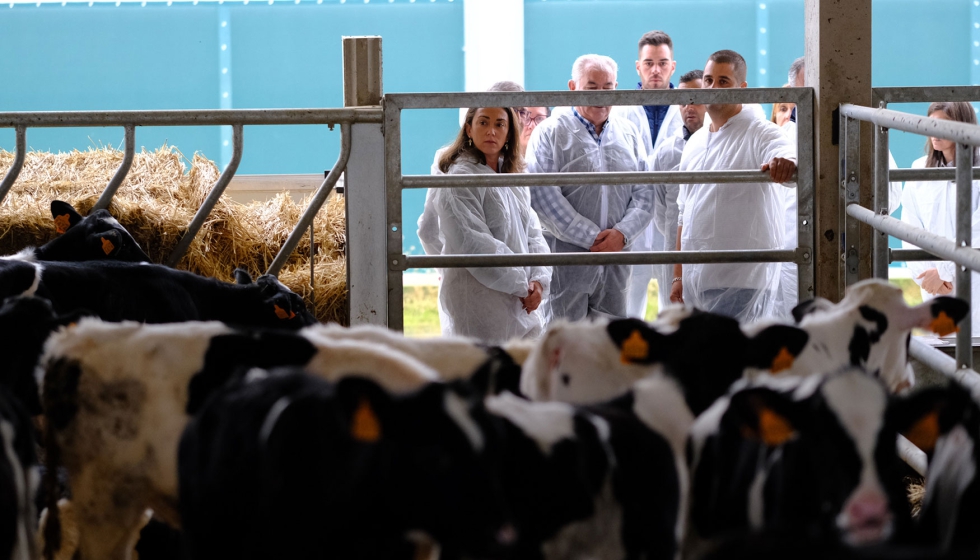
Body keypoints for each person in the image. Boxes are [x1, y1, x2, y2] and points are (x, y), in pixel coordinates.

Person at [670, 50, 797, 322]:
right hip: (697, 280)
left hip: (743, 280)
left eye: (723, 81)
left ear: (742, 88)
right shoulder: (694, 143)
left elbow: (787, 155)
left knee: (738, 360)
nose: (713, 88)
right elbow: (684, 212)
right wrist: (678, 275)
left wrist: (785, 164)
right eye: (708, 80)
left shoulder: (760, 131)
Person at [527, 54, 652, 322]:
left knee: (608, 342)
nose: (600, 96)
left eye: (608, 88)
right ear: (572, 87)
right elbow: (542, 194)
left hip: (617, 257)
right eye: (592, 87)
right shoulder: (551, 132)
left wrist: (622, 234)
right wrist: (590, 238)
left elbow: (645, 193)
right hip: (567, 257)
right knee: (564, 341)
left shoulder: (628, 132)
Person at [424, 105, 553, 344]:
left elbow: (534, 233)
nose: (491, 131)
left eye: (499, 124)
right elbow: (473, 243)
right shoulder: (460, 178)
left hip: (522, 303)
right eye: (483, 122)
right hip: (478, 303)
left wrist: (539, 280)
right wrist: (522, 285)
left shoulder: (513, 174)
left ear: (509, 133)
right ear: (469, 130)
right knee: (483, 374)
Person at [613, 31, 684, 318]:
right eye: (649, 63)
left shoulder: (688, 108)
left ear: (673, 66)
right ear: (638, 66)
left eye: (663, 63)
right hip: (632, 223)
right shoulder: (620, 112)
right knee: (627, 305)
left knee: (674, 304)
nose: (656, 70)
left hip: (673, 222)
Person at [901, 101, 980, 335]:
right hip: (935, 286)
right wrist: (925, 275)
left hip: (974, 281)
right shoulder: (918, 170)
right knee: (941, 356)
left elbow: (977, 229)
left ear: (963, 126)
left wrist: (944, 271)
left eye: (943, 125)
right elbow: (909, 227)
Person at [645, 69, 706, 314]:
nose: (688, 107)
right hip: (673, 248)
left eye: (695, 98)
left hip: (713, 250)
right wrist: (677, 235)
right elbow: (660, 206)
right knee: (674, 324)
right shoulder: (666, 152)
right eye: (682, 100)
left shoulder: (722, 142)